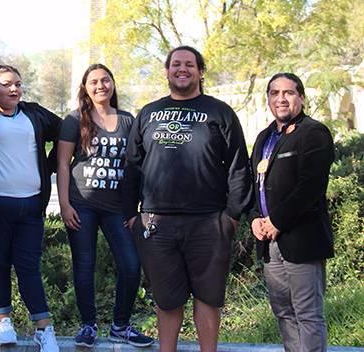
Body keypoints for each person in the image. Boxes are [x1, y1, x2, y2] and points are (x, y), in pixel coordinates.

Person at [122, 46, 252, 352]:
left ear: (200, 71)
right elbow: (131, 167)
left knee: (208, 297)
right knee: (167, 300)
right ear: (166, 72)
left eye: (190, 64)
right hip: (156, 224)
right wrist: (130, 215)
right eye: (176, 64)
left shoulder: (220, 112)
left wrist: (232, 216)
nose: (183, 69)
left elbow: (238, 166)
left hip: (209, 222)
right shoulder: (149, 113)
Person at [0, 64, 62, 352]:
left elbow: (67, 131)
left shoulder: (34, 113)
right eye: (6, 84)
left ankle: (44, 329)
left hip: (31, 206)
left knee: (29, 267)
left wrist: (50, 164)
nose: (15, 88)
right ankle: (3, 320)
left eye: (18, 83)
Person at [57, 64, 154, 348]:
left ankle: (120, 325)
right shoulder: (74, 120)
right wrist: (64, 204)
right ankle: (88, 325)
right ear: (85, 88)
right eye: (94, 81)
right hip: (81, 204)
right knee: (84, 267)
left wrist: (134, 208)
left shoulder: (127, 120)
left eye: (105, 80)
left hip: (117, 208)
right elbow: (63, 164)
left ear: (113, 84)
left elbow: (136, 166)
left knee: (131, 264)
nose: (101, 85)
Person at [249, 73, 334, 352]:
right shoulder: (264, 137)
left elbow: (310, 187)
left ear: (301, 97)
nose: (281, 99)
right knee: (284, 314)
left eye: (288, 92)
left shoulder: (315, 133)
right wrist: (254, 219)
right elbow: (255, 185)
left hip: (302, 239)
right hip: (269, 242)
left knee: (308, 314)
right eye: (274, 93)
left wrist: (277, 220)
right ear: (268, 99)